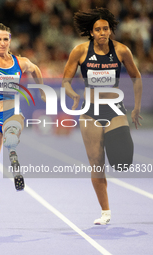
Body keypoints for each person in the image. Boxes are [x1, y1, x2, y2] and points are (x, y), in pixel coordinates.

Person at [62, 8, 142, 225]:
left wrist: (136, 108)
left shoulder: (122, 50)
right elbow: (65, 81)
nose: (102, 32)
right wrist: (72, 95)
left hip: (114, 109)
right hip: (89, 111)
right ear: (91, 32)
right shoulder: (79, 51)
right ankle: (105, 212)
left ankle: (116, 148)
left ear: (110, 30)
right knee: (97, 163)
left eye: (106, 28)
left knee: (124, 162)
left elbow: (136, 77)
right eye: (98, 29)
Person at [0, 23, 44, 214]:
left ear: (10, 41)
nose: (2, 43)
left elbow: (35, 69)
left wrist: (41, 89)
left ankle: (12, 151)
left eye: (6, 39)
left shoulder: (19, 62)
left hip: (11, 113)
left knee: (12, 130)